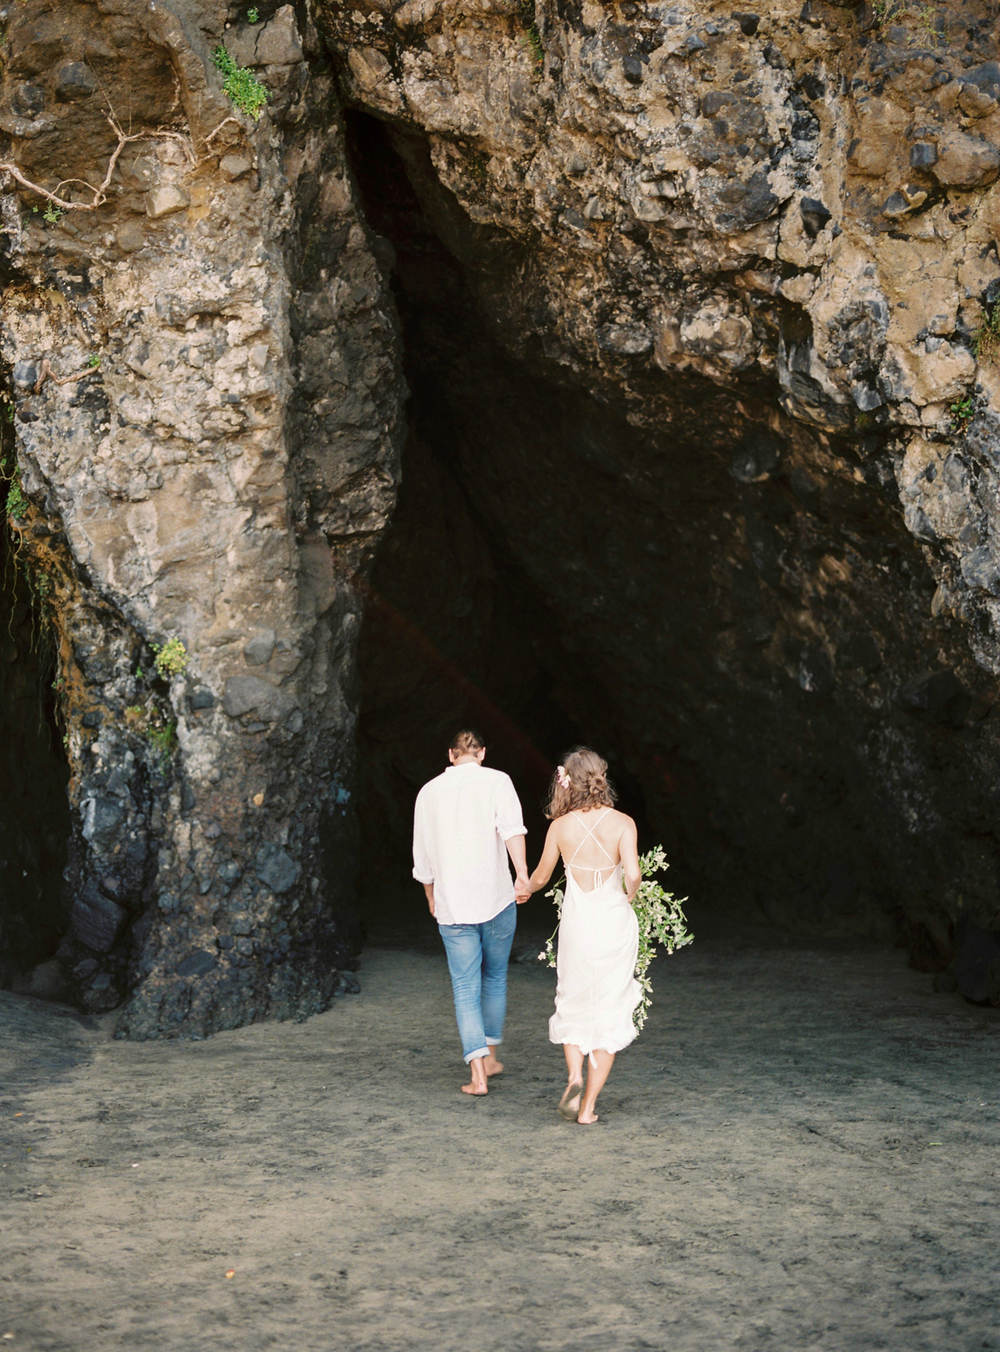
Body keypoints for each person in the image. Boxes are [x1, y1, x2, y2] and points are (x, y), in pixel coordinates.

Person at [523, 748, 642, 1125]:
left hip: (578, 925)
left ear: (567, 783)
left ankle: (574, 1075)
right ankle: (588, 1108)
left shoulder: (560, 827)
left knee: (573, 999)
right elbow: (635, 874)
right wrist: (630, 895)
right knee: (609, 1008)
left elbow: (541, 877)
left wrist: (524, 889)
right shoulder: (624, 823)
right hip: (613, 923)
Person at [412, 729, 530, 1096]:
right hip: (496, 899)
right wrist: (522, 876)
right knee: (494, 978)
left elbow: (423, 853)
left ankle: (479, 1074)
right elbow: (512, 830)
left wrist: (431, 895)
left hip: (454, 905)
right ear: (481, 753)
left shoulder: (428, 792)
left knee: (465, 987)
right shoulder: (498, 781)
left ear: (451, 755)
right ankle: (492, 1056)